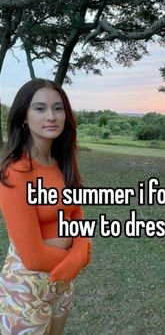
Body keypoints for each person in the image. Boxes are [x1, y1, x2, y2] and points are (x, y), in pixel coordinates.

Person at [0, 78, 92, 335]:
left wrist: (82, 245)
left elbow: (76, 214)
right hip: (27, 286)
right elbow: (33, 256)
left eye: (58, 108)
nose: (51, 116)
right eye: (40, 108)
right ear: (23, 118)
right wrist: (77, 257)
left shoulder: (63, 163)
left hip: (63, 282)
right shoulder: (16, 172)